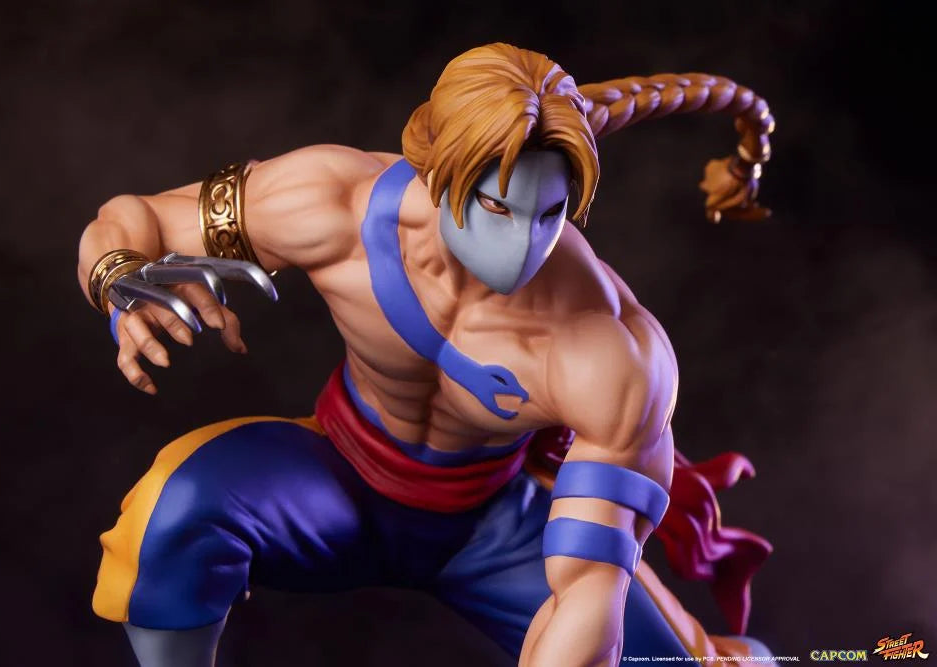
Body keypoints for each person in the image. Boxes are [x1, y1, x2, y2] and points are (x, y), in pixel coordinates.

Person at [78, 43, 776, 667]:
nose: (521, 248)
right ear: (438, 172)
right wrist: (120, 279)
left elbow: (586, 593)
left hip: (496, 529)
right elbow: (130, 218)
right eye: (498, 208)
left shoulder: (607, 348)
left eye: (549, 213)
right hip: (341, 478)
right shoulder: (331, 206)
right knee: (170, 513)